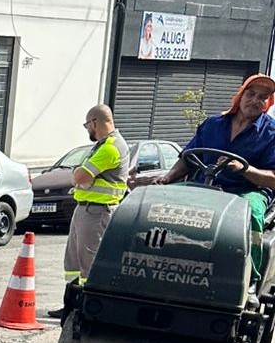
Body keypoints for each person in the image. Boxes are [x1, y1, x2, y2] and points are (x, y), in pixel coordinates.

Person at [157, 73, 275, 282]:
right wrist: (168, 177)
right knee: (160, 200)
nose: (255, 100)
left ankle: (249, 279)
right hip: (206, 186)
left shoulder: (271, 133)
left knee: (252, 212)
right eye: (251, 94)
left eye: (262, 97)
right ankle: (160, 259)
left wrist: (245, 170)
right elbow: (188, 157)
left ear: (268, 103)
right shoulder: (213, 124)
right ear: (240, 95)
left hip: (245, 191)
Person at [49, 104, 130, 319]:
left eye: (87, 125)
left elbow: (81, 177)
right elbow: (81, 174)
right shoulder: (102, 145)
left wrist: (78, 175)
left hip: (97, 211)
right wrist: (79, 175)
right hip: (85, 208)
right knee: (73, 262)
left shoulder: (111, 147)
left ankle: (87, 307)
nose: (88, 130)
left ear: (94, 122)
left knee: (88, 263)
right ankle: (72, 303)